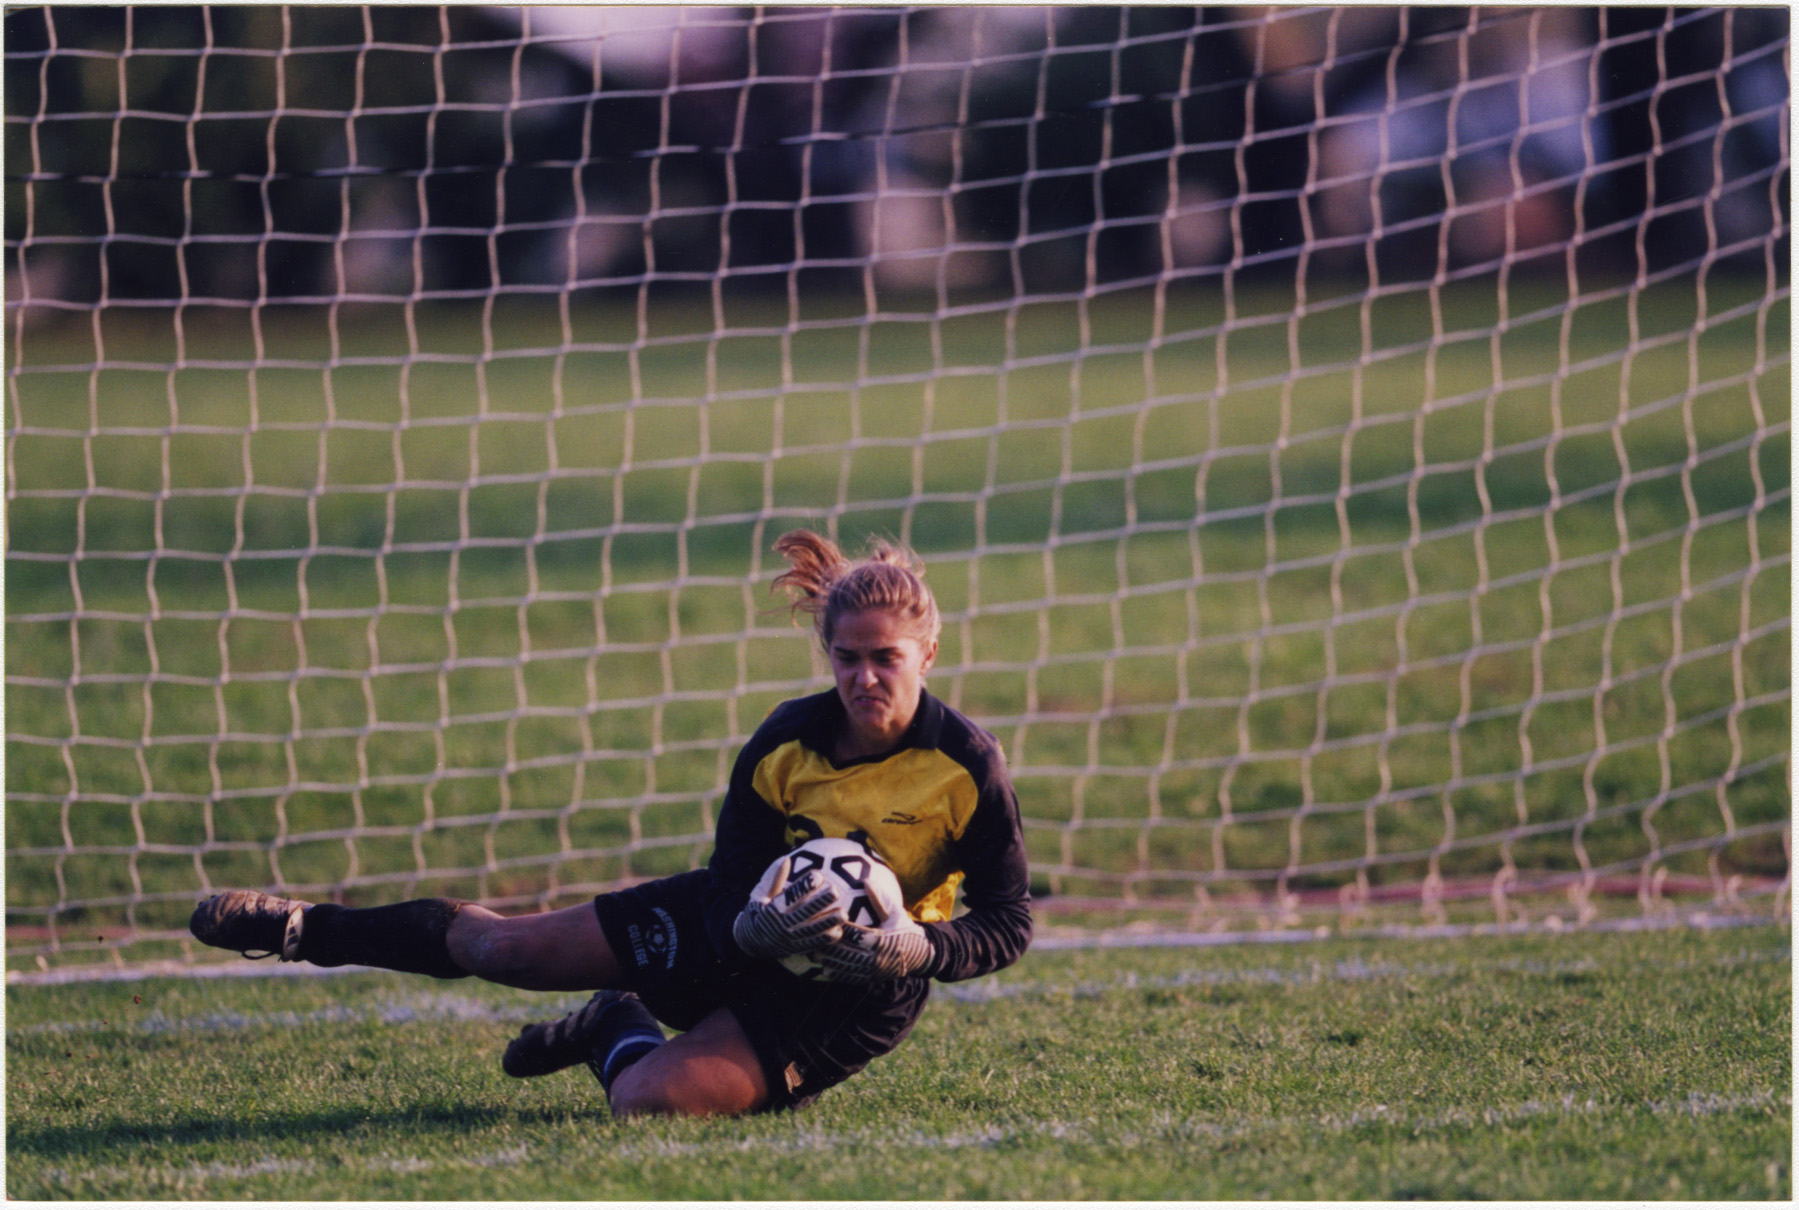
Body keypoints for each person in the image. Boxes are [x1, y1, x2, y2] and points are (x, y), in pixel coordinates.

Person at [189, 529, 1032, 1117]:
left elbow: (1007, 920)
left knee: (646, 1100)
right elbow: (729, 877)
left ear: (926, 652)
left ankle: (610, 1024)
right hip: (736, 925)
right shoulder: (784, 743)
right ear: (826, 652)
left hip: (852, 993)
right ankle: (302, 927)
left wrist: (922, 947)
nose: (864, 678)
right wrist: (749, 926)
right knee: (503, 948)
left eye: (885, 658)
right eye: (846, 658)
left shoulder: (966, 767)